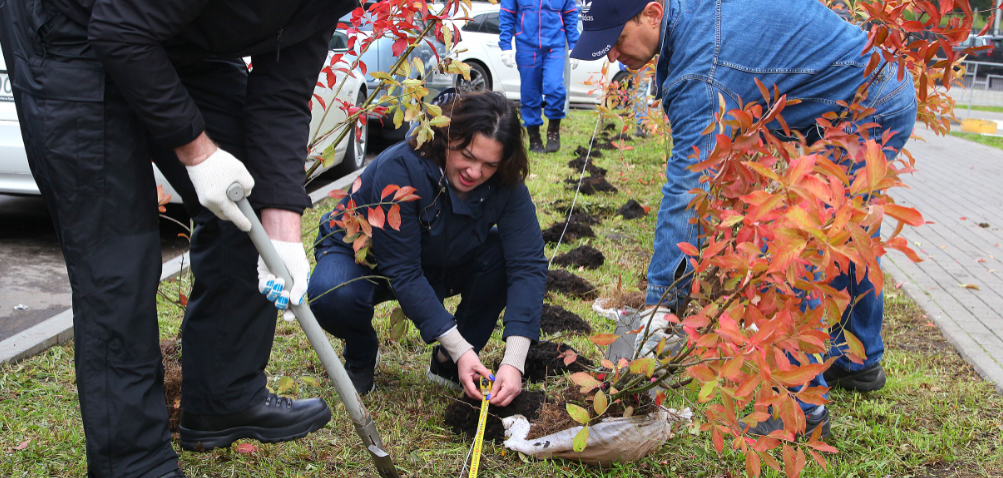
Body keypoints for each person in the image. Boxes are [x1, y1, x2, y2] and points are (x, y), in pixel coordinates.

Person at [0, 0, 357, 475]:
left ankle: (223, 396)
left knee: (245, 201)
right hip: (70, 31)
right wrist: (199, 153)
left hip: (169, 35)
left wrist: (283, 230)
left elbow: (282, 93)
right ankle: (133, 461)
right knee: (118, 258)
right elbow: (118, 29)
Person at [571, 0, 917, 438]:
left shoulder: (702, 68)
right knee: (847, 234)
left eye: (617, 40)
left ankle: (801, 410)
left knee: (798, 242)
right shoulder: (692, 18)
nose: (614, 56)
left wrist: (660, 306)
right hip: (856, 89)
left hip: (866, 108)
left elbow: (686, 191)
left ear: (653, 14)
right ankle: (860, 361)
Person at [308, 90, 547, 407]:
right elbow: (403, 270)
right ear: (447, 135)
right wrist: (462, 348)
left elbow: (527, 265)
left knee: (501, 256)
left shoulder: (506, 184)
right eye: (467, 155)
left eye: (489, 164)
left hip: (439, 260)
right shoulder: (403, 166)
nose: (474, 172)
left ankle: (448, 362)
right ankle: (361, 350)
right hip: (365, 256)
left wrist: (514, 360)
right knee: (332, 293)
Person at [498, 0, 580, 153]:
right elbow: (507, 14)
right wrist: (506, 45)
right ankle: (534, 137)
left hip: (554, 46)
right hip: (526, 46)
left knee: (554, 87)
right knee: (530, 93)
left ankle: (553, 131)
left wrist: (574, 44)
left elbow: (570, 14)